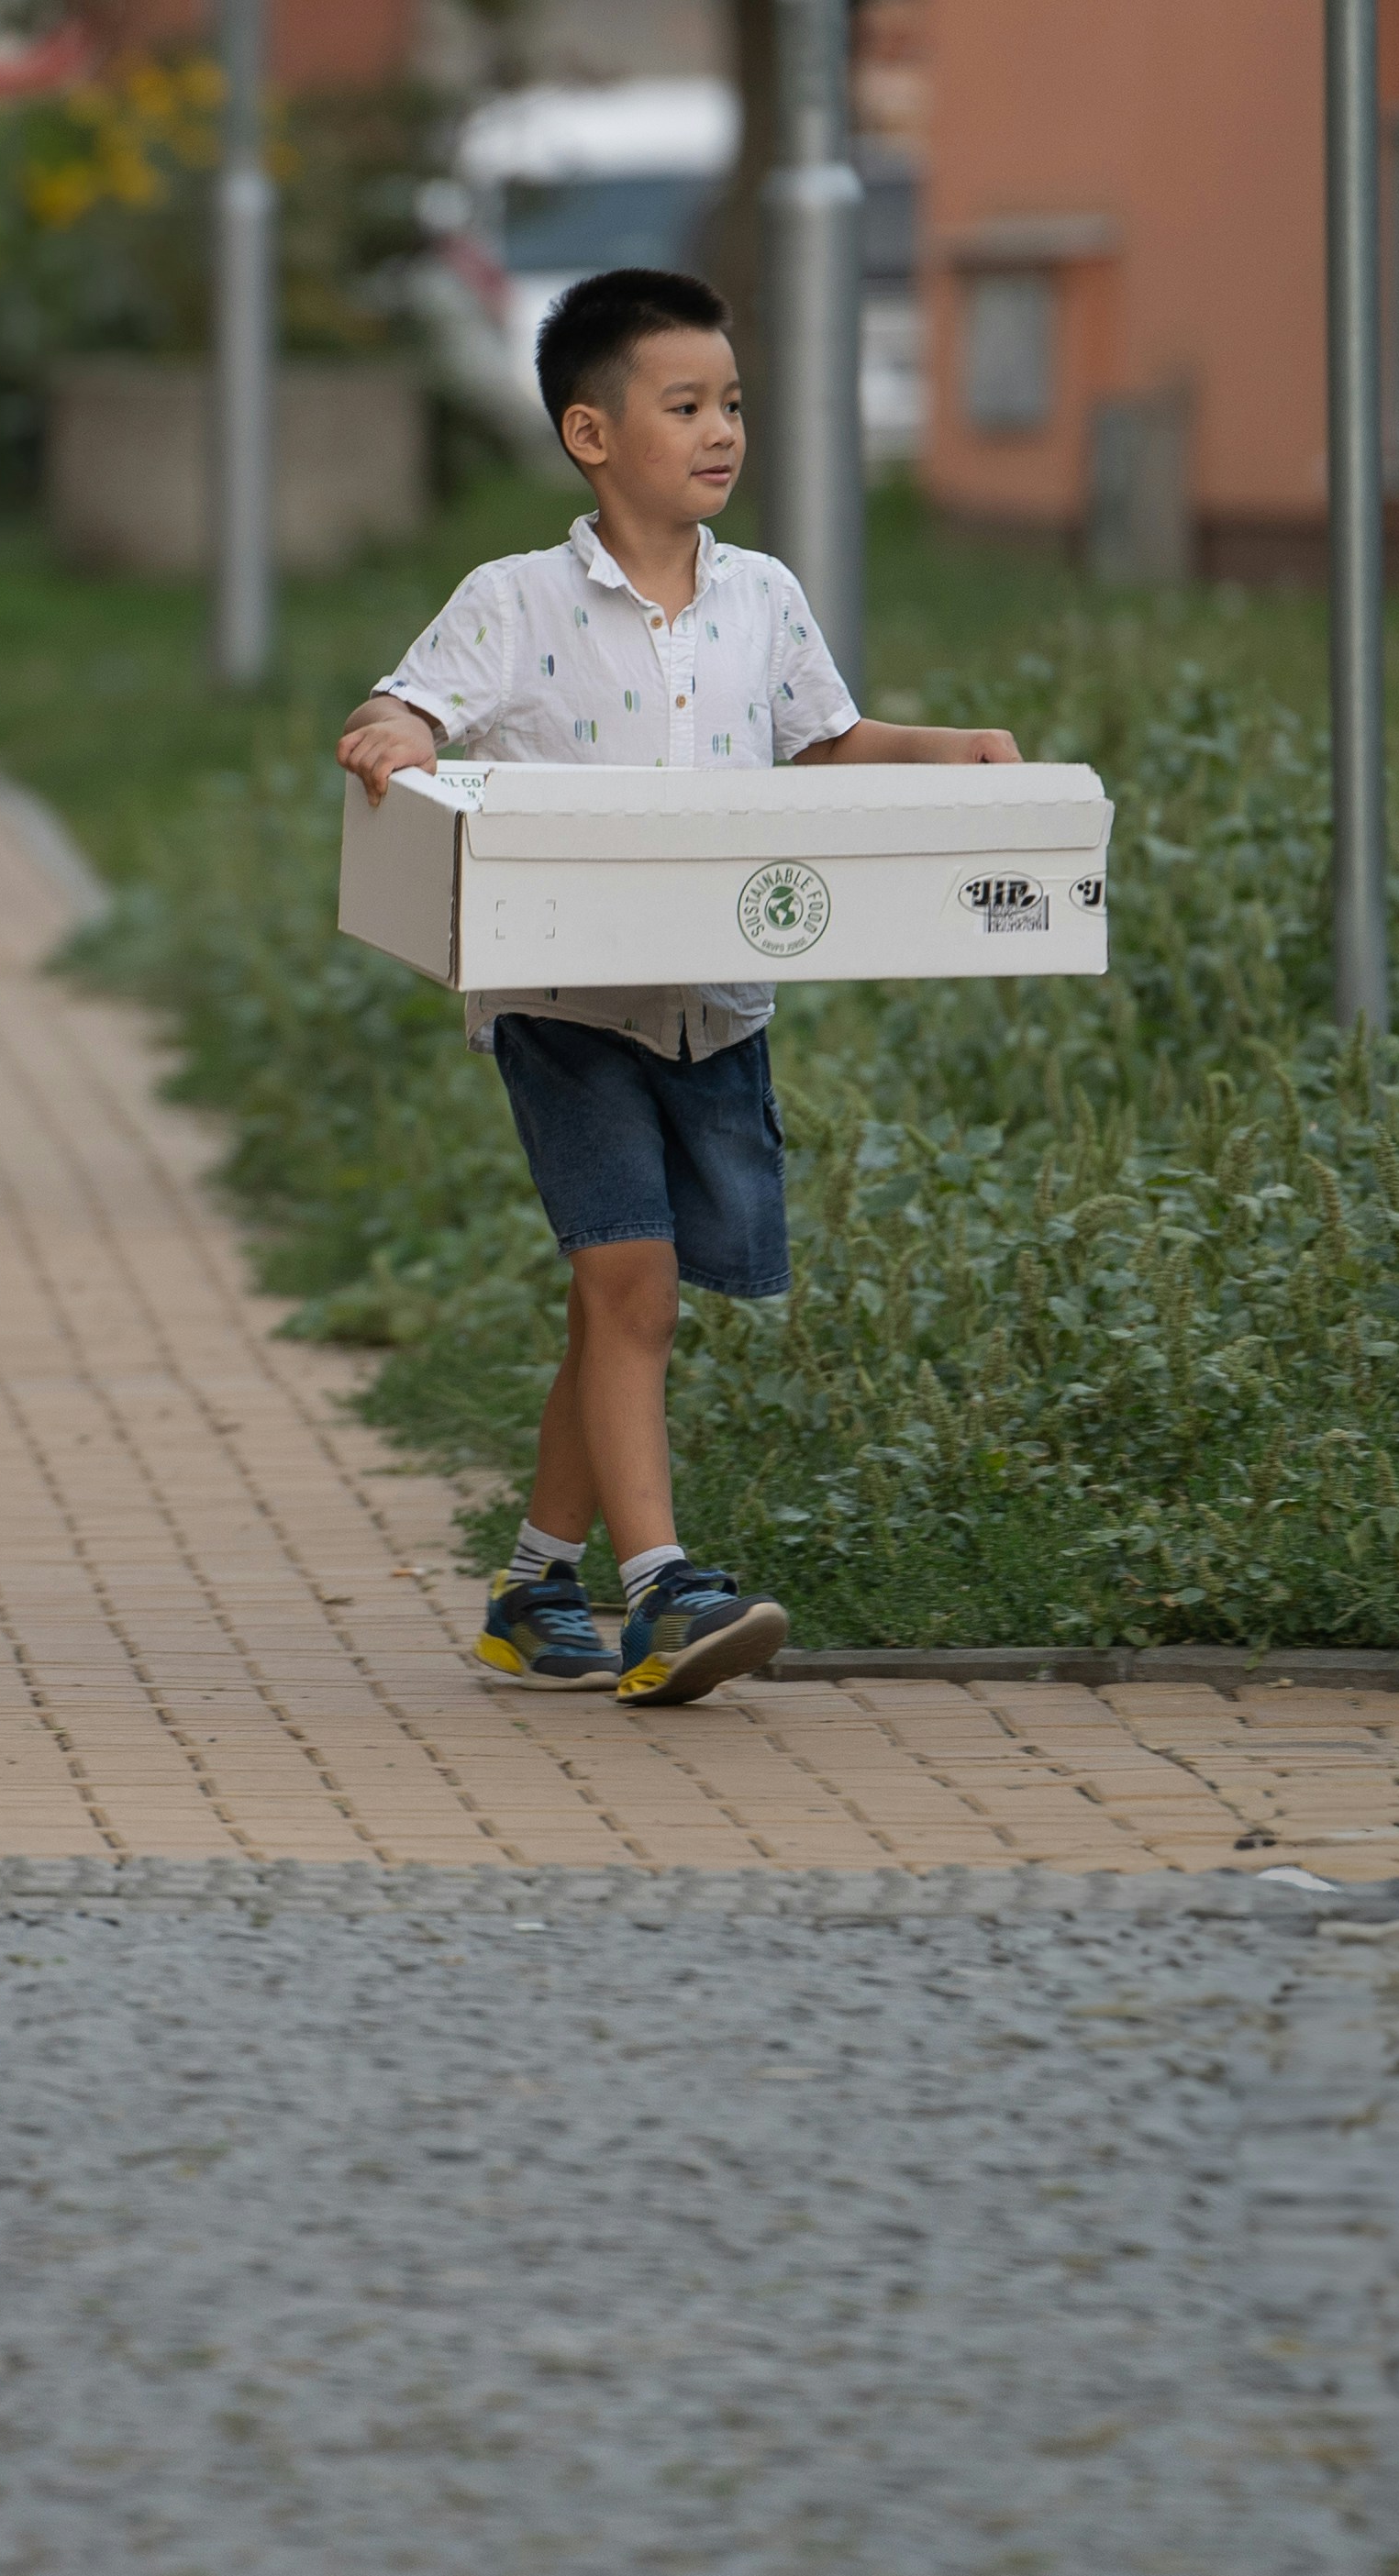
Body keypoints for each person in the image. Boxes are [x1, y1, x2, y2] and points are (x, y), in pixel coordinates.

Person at [332, 265, 1022, 1708]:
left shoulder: (761, 597)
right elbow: (414, 701)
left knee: (621, 1304)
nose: (722, 431)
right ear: (592, 434)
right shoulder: (515, 601)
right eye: (687, 405)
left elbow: (823, 745)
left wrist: (946, 747)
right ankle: (664, 1591)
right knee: (629, 1280)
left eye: (733, 404)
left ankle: (535, 1586)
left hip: (717, 1001)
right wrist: (391, 734)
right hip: (565, 1005)